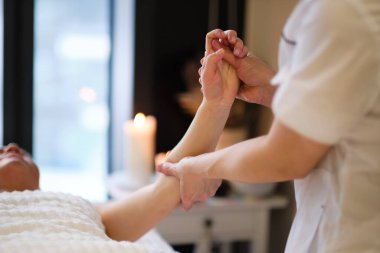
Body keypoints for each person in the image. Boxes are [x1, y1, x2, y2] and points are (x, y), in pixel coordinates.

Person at [158, 1, 380, 252]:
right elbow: (348, 102)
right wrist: (273, 88)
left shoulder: (346, 13)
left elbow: (287, 155)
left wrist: (200, 168)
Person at [0, 42, 240, 252]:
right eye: (0, 153)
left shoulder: (76, 207)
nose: (10, 146)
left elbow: (166, 189)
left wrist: (217, 103)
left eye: (22, 153)